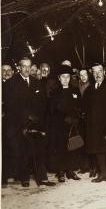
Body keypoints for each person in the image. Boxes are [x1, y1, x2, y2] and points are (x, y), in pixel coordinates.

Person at [4, 57, 55, 187]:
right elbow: (11, 105)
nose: (27, 69)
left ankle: (42, 178)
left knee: (39, 150)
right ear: (19, 67)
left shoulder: (36, 82)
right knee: (23, 151)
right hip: (19, 123)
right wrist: (27, 116)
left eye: (29, 66)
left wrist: (36, 117)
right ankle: (24, 177)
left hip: (35, 122)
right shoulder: (10, 83)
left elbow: (42, 102)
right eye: (24, 66)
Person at [48, 65, 82, 182]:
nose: (66, 79)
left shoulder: (75, 90)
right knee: (61, 147)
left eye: (68, 76)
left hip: (72, 124)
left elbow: (79, 106)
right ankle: (61, 171)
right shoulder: (55, 92)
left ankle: (70, 170)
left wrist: (76, 118)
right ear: (59, 78)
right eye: (63, 77)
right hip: (60, 125)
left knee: (72, 147)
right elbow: (52, 109)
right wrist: (63, 117)